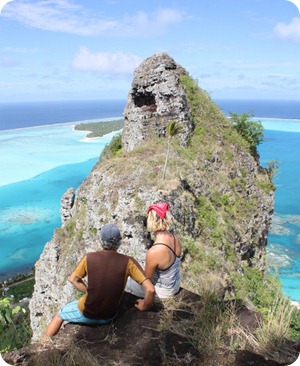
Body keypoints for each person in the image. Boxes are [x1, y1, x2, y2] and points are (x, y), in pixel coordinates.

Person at [45, 224, 155, 337]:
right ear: (119, 242)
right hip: (109, 315)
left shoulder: (89, 257)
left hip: (87, 313)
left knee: (59, 314)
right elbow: (150, 289)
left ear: (101, 241)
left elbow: (73, 279)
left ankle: (44, 344)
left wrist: (88, 291)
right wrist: (144, 306)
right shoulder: (128, 262)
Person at [126, 203, 181, 301]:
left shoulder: (154, 251)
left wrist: (145, 304)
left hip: (163, 292)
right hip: (175, 286)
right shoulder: (176, 239)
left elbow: (147, 283)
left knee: (124, 282)